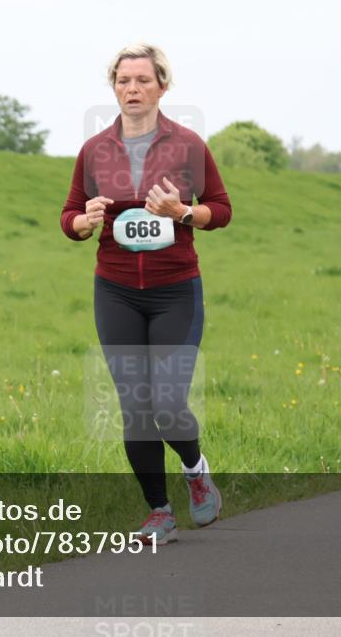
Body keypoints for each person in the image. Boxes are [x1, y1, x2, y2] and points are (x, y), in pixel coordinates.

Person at [60, 43, 233, 545]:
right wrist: (83, 222)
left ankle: (196, 469)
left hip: (175, 290)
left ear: (162, 86)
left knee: (167, 404)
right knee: (135, 405)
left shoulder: (188, 146)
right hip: (115, 291)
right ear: (113, 87)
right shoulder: (95, 150)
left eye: (142, 80)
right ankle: (159, 511)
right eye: (123, 80)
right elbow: (69, 218)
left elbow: (220, 210)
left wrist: (182, 212)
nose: (132, 89)